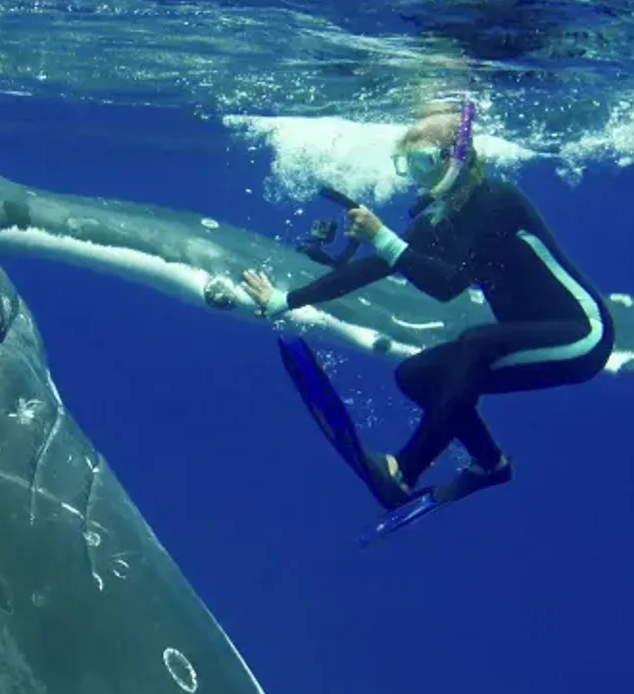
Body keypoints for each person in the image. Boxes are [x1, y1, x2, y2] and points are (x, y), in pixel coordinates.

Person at [239, 98, 614, 509]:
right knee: (416, 375)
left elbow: (448, 285)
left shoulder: (498, 203)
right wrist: (286, 300)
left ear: (456, 158)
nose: (415, 176)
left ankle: (402, 472)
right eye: (408, 164)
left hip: (583, 335)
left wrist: (384, 236)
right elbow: (368, 269)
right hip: (528, 340)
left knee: (476, 344)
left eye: (421, 161)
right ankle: (490, 464)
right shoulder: (439, 219)